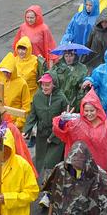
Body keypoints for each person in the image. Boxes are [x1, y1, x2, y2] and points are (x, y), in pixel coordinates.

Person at [23, 73, 69, 206]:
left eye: (48, 84)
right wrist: (27, 129)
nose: (45, 86)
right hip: (42, 136)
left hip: (57, 137)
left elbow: (64, 121)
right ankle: (49, 191)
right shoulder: (37, 96)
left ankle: (47, 195)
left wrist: (53, 136)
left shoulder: (61, 99)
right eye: (43, 84)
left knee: (50, 164)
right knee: (40, 164)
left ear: (54, 84)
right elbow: (33, 115)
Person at [53, 89, 107, 173]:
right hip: (77, 169)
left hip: (98, 171)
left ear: (97, 109)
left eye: (92, 110)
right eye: (86, 111)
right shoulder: (76, 124)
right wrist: (63, 121)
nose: (89, 114)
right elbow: (61, 133)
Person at [0, 56, 32, 130]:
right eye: (4, 72)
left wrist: (18, 124)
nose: (6, 74)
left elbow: (26, 106)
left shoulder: (22, 84)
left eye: (8, 72)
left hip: (14, 124)